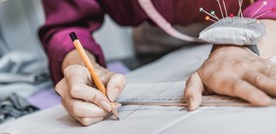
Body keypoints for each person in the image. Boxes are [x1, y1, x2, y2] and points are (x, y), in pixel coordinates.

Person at [39, 0, 276, 126]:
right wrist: (79, 64)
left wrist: (239, 46)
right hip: (160, 41)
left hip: (262, 22)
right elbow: (68, 24)